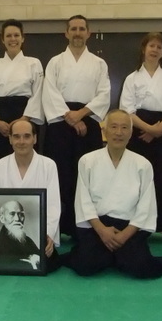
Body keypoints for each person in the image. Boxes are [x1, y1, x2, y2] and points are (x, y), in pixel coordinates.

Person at [65, 110, 162, 279]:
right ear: (104, 130)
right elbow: (83, 200)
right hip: (98, 225)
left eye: (124, 128)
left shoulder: (143, 164)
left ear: (131, 133)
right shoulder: (87, 161)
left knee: (142, 268)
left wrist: (125, 235)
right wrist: (102, 230)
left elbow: (146, 205)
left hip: (129, 226)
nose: (119, 132)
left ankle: (113, 255)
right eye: (114, 127)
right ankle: (108, 254)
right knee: (85, 266)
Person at [42, 14, 111, 236]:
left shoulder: (99, 63)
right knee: (61, 174)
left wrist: (80, 115)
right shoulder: (55, 62)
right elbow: (50, 92)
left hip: (88, 121)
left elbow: (104, 94)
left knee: (87, 175)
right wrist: (70, 117)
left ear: (88, 33)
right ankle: (59, 226)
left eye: (82, 29)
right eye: (73, 29)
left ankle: (85, 227)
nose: (78, 33)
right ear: (66, 33)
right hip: (60, 123)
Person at [119, 32, 162, 240]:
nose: (155, 50)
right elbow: (127, 110)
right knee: (138, 180)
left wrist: (156, 131)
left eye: (159, 47)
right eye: (151, 46)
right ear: (144, 49)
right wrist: (148, 129)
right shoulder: (132, 78)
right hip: (138, 132)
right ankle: (137, 226)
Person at [0, 118, 61, 271]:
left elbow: (53, 205)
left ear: (35, 138)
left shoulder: (48, 165)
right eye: (16, 137)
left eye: (27, 136)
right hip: (3, 240)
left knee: (47, 261)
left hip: (40, 233)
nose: (21, 141)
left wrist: (47, 235)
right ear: (10, 139)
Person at [0, 19, 44, 181]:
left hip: (25, 116)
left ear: (22, 38)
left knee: (25, 161)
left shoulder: (33, 63)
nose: (12, 39)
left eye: (16, 35)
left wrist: (24, 120)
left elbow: (38, 93)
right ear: (2, 39)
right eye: (8, 36)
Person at [0, 200, 42, 270]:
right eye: (12, 214)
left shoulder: (28, 241)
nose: (17, 219)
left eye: (21, 214)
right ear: (2, 218)